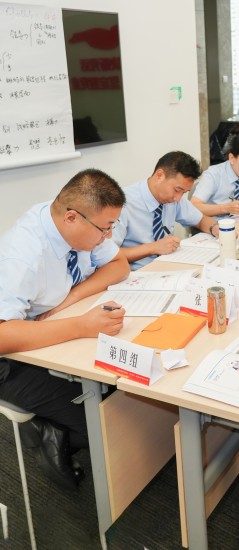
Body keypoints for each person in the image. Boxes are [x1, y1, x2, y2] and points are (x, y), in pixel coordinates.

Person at [0, 168, 129, 489]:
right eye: (105, 228)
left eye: (111, 227)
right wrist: (81, 325)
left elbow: (119, 265)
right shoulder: (23, 256)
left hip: (47, 334)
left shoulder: (76, 225)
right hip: (9, 361)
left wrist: (69, 298)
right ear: (72, 218)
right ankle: (49, 431)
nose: (108, 236)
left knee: (121, 392)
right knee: (105, 422)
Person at [112, 151, 220, 271]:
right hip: (136, 272)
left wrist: (215, 228)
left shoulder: (174, 199)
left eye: (184, 192)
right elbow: (108, 255)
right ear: (159, 176)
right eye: (177, 190)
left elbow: (200, 220)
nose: (178, 198)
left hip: (169, 266)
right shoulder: (122, 203)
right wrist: (153, 248)